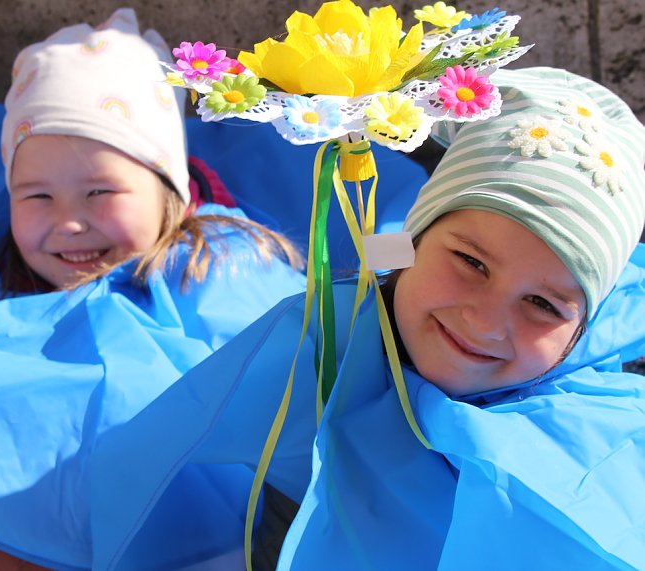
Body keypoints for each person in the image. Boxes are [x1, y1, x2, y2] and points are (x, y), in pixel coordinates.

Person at [83, 66, 645, 570]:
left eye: (543, 304)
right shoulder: (340, 319)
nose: (485, 320)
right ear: (417, 242)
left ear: (579, 330)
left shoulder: (586, 430)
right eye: (471, 263)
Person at [0, 8, 306, 570]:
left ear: (168, 186)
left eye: (100, 192)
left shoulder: (217, 262)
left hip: (187, 536)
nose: (69, 222)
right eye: (37, 197)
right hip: (31, 531)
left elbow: (295, 365)